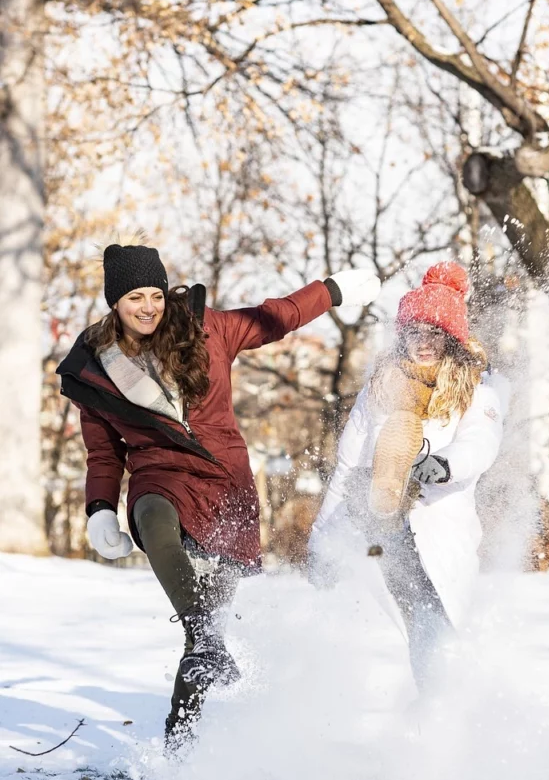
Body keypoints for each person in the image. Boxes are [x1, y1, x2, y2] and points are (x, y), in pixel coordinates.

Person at [57, 239, 380, 743]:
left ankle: (180, 739)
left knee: (205, 632)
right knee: (153, 519)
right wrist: (100, 508)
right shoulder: (95, 370)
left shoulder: (210, 331)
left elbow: (278, 316)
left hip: (225, 485)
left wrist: (333, 290)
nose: (148, 307)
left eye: (155, 295)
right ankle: (203, 636)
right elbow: (104, 454)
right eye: (134, 298)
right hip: (158, 475)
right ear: (114, 304)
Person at [308, 261, 507, 689]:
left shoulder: (477, 390)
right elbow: (345, 465)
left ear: (452, 338)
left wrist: (445, 464)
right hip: (380, 533)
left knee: (431, 627)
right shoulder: (380, 387)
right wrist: (322, 540)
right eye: (414, 331)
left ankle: (440, 716)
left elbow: (482, 442)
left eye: (434, 333)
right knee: (384, 640)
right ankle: (386, 490)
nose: (423, 343)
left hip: (439, 523)